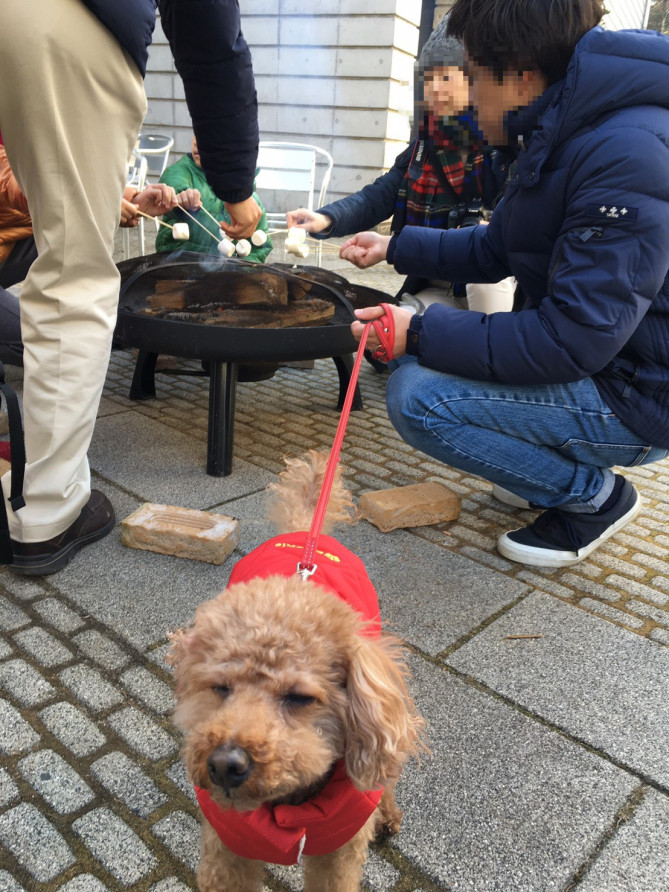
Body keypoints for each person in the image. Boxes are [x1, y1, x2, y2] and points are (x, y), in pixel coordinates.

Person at [348, 0, 669, 568]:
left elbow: (570, 339)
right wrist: (394, 246)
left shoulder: (625, 154)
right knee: (428, 360)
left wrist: (416, 332)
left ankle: (594, 498)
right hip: (609, 364)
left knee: (417, 394)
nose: (466, 96)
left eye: (472, 77)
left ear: (520, 76)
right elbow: (499, 247)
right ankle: (545, 468)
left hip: (640, 395)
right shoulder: (564, 128)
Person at [0, 0, 261, 575]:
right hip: (65, 21)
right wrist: (236, 185)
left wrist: (109, 199)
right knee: (75, 275)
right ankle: (47, 512)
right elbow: (210, 34)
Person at [287, 15, 515, 315]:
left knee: (484, 261)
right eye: (428, 77)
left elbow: (505, 232)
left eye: (446, 78)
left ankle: (490, 340)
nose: (434, 89)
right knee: (388, 328)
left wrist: (392, 245)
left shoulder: (501, 146)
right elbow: (378, 196)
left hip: (490, 287)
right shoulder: (423, 145)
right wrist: (325, 219)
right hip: (437, 286)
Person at [156, 135, 272, 262]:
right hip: (179, 264)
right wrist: (181, 197)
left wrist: (243, 269)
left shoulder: (249, 199)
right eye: (196, 133)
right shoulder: (181, 171)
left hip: (229, 271)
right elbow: (173, 184)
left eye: (211, 135)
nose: (196, 142)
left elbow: (259, 248)